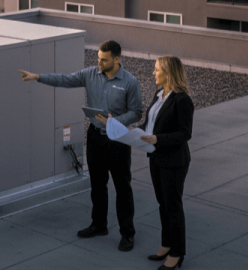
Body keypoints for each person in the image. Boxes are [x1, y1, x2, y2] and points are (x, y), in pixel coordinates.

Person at [19, 40, 142, 252]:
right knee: (97, 184)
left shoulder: (130, 82)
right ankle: (99, 225)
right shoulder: (90, 74)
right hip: (95, 138)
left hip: (118, 140)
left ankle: (127, 234)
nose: (99, 63)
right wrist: (38, 77)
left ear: (116, 59)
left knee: (122, 188)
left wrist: (115, 121)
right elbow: (66, 80)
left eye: (104, 60)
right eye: (98, 59)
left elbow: (136, 112)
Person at [139, 56, 194, 270]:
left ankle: (177, 253)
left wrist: (158, 139)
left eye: (157, 70)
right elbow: (150, 123)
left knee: (173, 206)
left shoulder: (182, 100)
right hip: (156, 157)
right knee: (163, 204)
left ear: (168, 73)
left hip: (174, 161)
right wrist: (138, 133)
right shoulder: (158, 94)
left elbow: (184, 133)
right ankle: (166, 244)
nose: (153, 73)